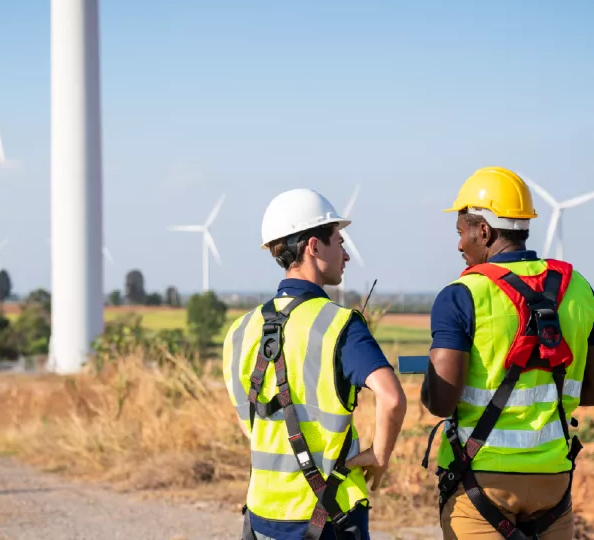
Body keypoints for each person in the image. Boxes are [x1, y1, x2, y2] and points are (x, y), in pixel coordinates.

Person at [223, 188, 407, 540]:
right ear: (313, 246)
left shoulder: (240, 330)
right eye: (338, 240)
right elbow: (392, 398)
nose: (346, 254)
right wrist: (379, 457)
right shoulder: (339, 325)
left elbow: (249, 422)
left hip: (262, 512)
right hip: (330, 513)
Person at [420, 166, 594, 539]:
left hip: (481, 483)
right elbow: (591, 390)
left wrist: (429, 378)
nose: (459, 245)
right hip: (554, 483)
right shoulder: (579, 288)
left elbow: (441, 402)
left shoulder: (462, 295)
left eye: (461, 232)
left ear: (483, 230)